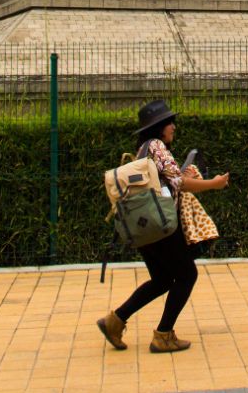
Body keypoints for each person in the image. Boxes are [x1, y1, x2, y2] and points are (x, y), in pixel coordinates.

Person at [98, 99, 231, 352]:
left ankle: (114, 322)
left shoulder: (142, 149)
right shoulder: (157, 146)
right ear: (159, 128)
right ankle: (163, 334)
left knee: (161, 280)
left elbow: (168, 182)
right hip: (161, 226)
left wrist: (182, 179)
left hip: (143, 226)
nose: (174, 127)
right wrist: (213, 184)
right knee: (187, 275)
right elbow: (180, 184)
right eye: (170, 123)